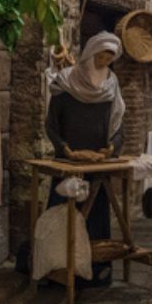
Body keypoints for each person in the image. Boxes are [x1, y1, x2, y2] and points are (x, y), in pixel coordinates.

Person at [44, 31, 126, 287]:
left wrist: (111, 148)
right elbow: (52, 124)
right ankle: (58, 269)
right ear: (91, 52)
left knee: (96, 215)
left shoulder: (111, 85)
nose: (106, 59)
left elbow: (118, 123)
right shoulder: (66, 82)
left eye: (111, 56)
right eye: (103, 53)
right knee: (64, 213)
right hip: (69, 163)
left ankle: (97, 268)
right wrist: (66, 150)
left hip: (97, 164)